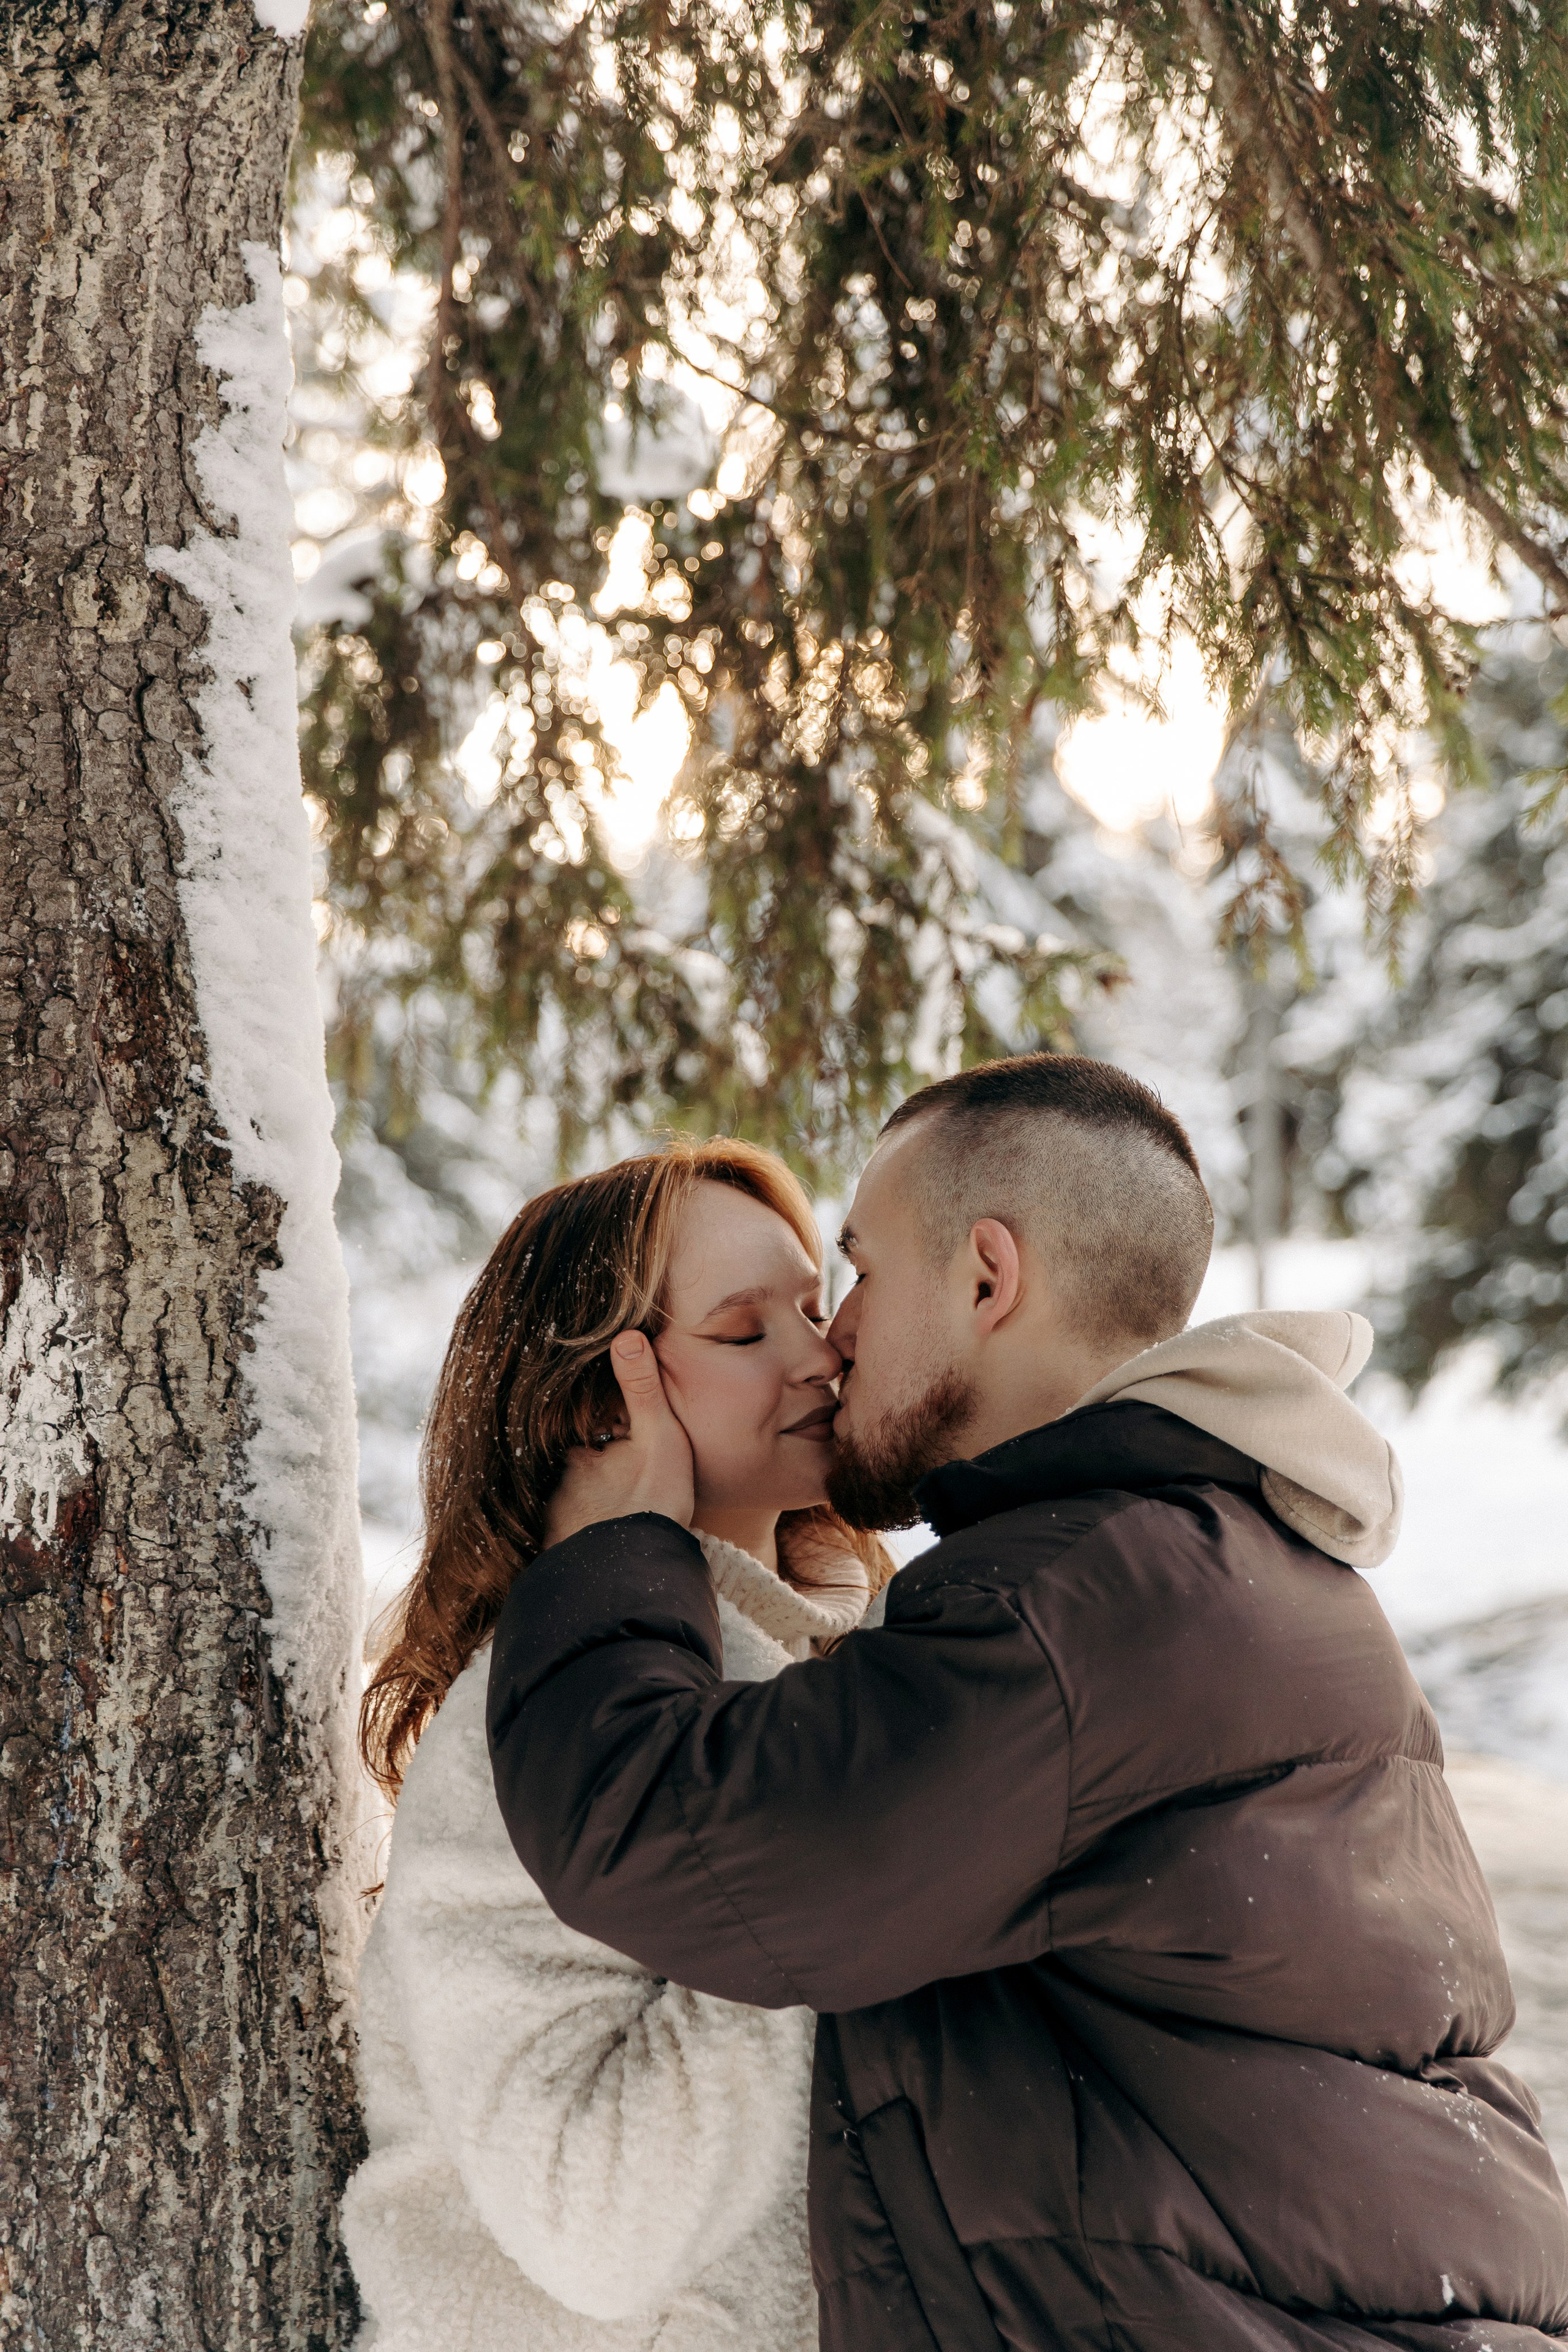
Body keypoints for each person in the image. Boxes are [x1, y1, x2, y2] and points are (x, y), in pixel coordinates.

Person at [487, 1053, 1568, 2352]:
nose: (835, 1339)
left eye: (859, 1276)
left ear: (988, 1278)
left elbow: (667, 1834)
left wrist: (615, 1546)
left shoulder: (1069, 1603)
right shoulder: (1246, 1560)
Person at [342, 1138, 891, 2352]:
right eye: (744, 1330)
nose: (820, 1354)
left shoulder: (855, 1662)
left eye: (813, 1308)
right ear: (601, 1405)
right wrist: (865, 1872)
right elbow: (598, 2220)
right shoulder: (521, 1733)